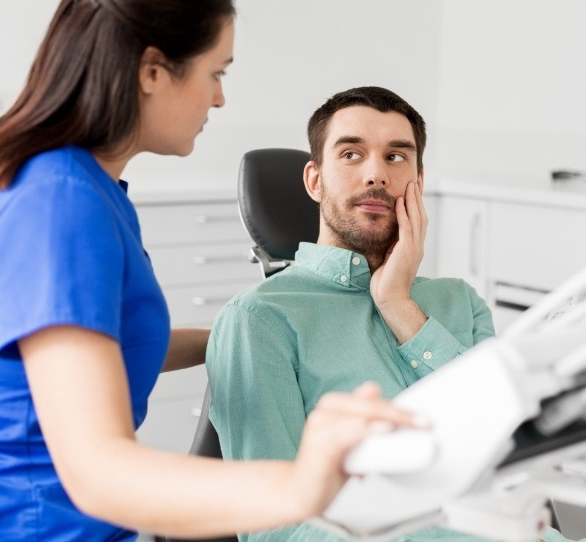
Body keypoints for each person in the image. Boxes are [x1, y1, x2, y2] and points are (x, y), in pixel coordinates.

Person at [0, 0, 423, 540]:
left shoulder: (73, 185)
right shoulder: (57, 205)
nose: (221, 97)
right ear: (154, 71)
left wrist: (249, 329)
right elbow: (98, 474)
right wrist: (302, 484)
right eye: (215, 72)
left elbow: (95, 346)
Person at [207, 86, 565, 541]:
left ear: (418, 180)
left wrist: (399, 305)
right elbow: (275, 532)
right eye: (352, 154)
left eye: (396, 157)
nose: (376, 174)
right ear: (315, 180)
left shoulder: (460, 301)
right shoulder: (259, 320)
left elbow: (506, 454)